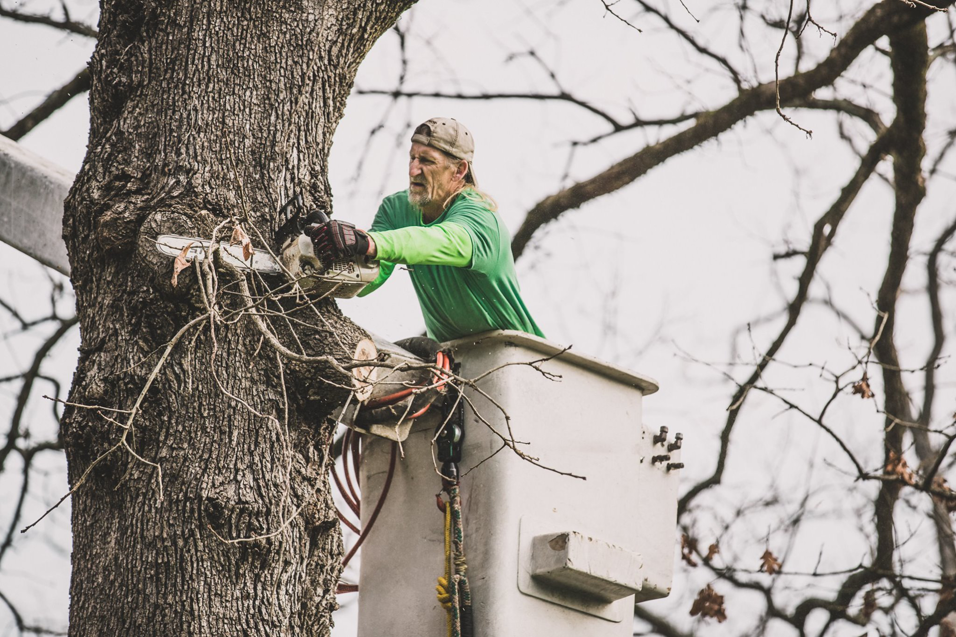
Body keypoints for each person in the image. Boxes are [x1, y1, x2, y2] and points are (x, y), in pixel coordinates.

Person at [308, 117, 543, 343]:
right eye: (412, 158)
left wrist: (369, 242)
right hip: (454, 358)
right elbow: (369, 277)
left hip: (518, 356)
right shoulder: (396, 209)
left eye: (427, 161)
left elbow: (440, 240)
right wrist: (326, 255)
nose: (413, 171)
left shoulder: (480, 216)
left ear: (459, 170)